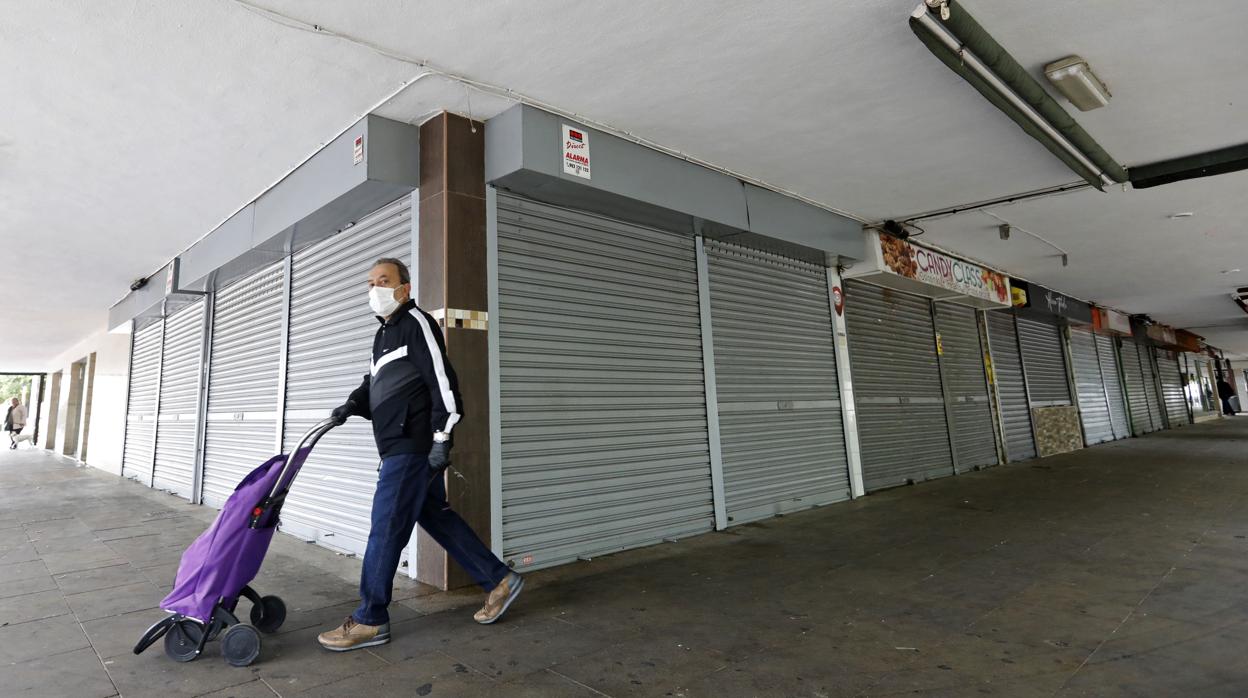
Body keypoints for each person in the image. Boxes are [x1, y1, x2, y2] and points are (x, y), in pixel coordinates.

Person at [317, 258, 523, 652]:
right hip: (397, 444)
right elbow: (374, 382)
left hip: (412, 446)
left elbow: (444, 384)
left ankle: (370, 618)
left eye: (384, 280)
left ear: (404, 288)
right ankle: (499, 579)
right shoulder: (383, 334)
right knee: (435, 516)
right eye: (370, 282)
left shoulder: (417, 324)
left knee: (386, 527)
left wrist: (442, 437)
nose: (375, 288)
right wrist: (351, 405)